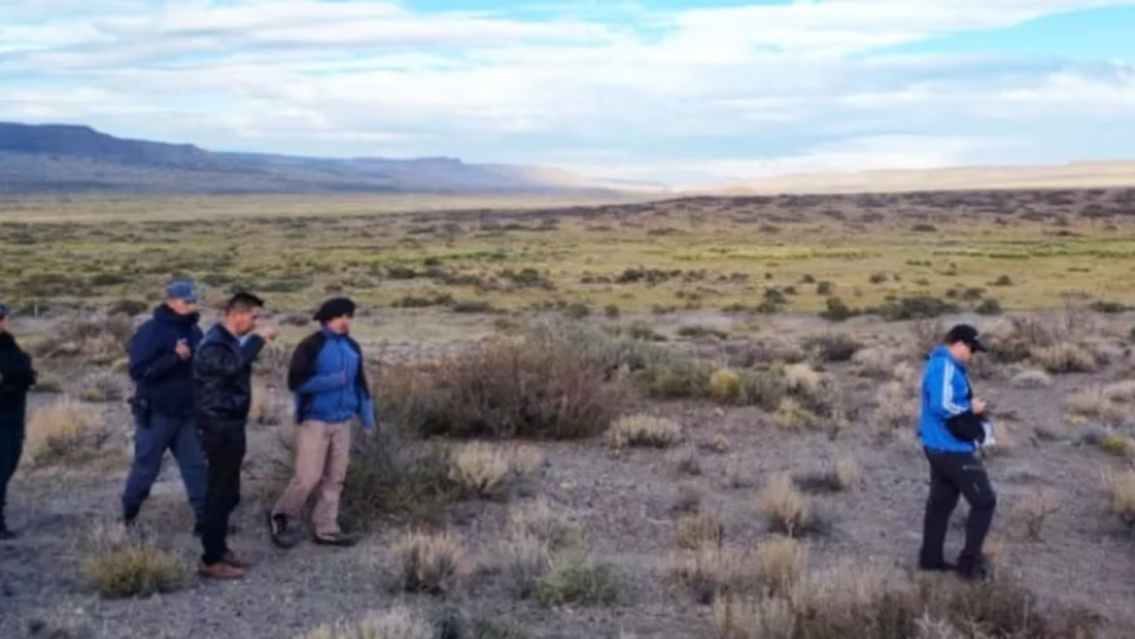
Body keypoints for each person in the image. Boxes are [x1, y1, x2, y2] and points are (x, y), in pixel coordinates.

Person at [269, 297, 375, 550]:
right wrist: (331, 381)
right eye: (341, 316)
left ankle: (327, 529)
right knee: (308, 477)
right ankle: (281, 516)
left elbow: (361, 386)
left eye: (349, 316)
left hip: (343, 422)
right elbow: (296, 383)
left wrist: (368, 419)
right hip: (314, 420)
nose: (345, 321)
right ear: (327, 319)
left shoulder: (352, 347)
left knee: (335, 478)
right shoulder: (311, 346)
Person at [194, 292, 277, 579]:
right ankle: (211, 559)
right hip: (218, 426)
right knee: (219, 492)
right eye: (253, 317)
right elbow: (231, 368)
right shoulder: (213, 344)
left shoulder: (227, 342)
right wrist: (258, 340)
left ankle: (219, 547)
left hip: (230, 424)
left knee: (229, 491)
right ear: (237, 314)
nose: (255, 323)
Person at [122, 281, 207, 533]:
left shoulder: (195, 331)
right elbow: (138, 371)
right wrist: (173, 359)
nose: (191, 306)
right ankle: (129, 515)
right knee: (146, 467)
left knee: (196, 466)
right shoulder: (151, 331)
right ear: (170, 300)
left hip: (187, 413)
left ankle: (204, 520)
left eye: (193, 301)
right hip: (157, 414)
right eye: (186, 301)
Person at [918, 324, 997, 582]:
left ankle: (930, 561)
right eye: (972, 349)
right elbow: (942, 405)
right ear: (960, 344)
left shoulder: (946, 366)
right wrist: (971, 407)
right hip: (951, 449)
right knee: (984, 500)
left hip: (939, 446)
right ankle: (969, 564)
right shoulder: (943, 366)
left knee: (941, 504)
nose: (972, 355)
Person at [0, 303, 37, 540]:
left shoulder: (9, 344)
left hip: (14, 412)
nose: (4, 322)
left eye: (3, 318)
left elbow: (26, 372)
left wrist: (10, 378)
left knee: (10, 461)